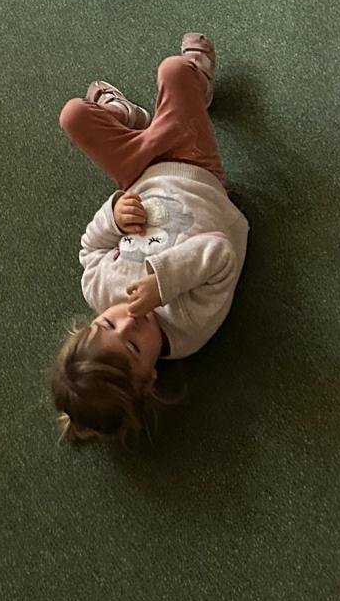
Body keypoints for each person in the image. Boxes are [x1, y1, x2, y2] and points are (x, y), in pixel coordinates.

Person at [51, 36, 249, 446]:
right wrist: (164, 283)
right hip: (196, 169)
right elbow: (221, 254)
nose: (128, 319)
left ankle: (137, 122)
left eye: (107, 323)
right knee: (174, 72)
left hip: (141, 173)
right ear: (150, 377)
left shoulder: (99, 290)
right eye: (133, 346)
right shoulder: (188, 328)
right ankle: (183, 98)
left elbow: (90, 248)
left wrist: (114, 215)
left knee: (74, 115)